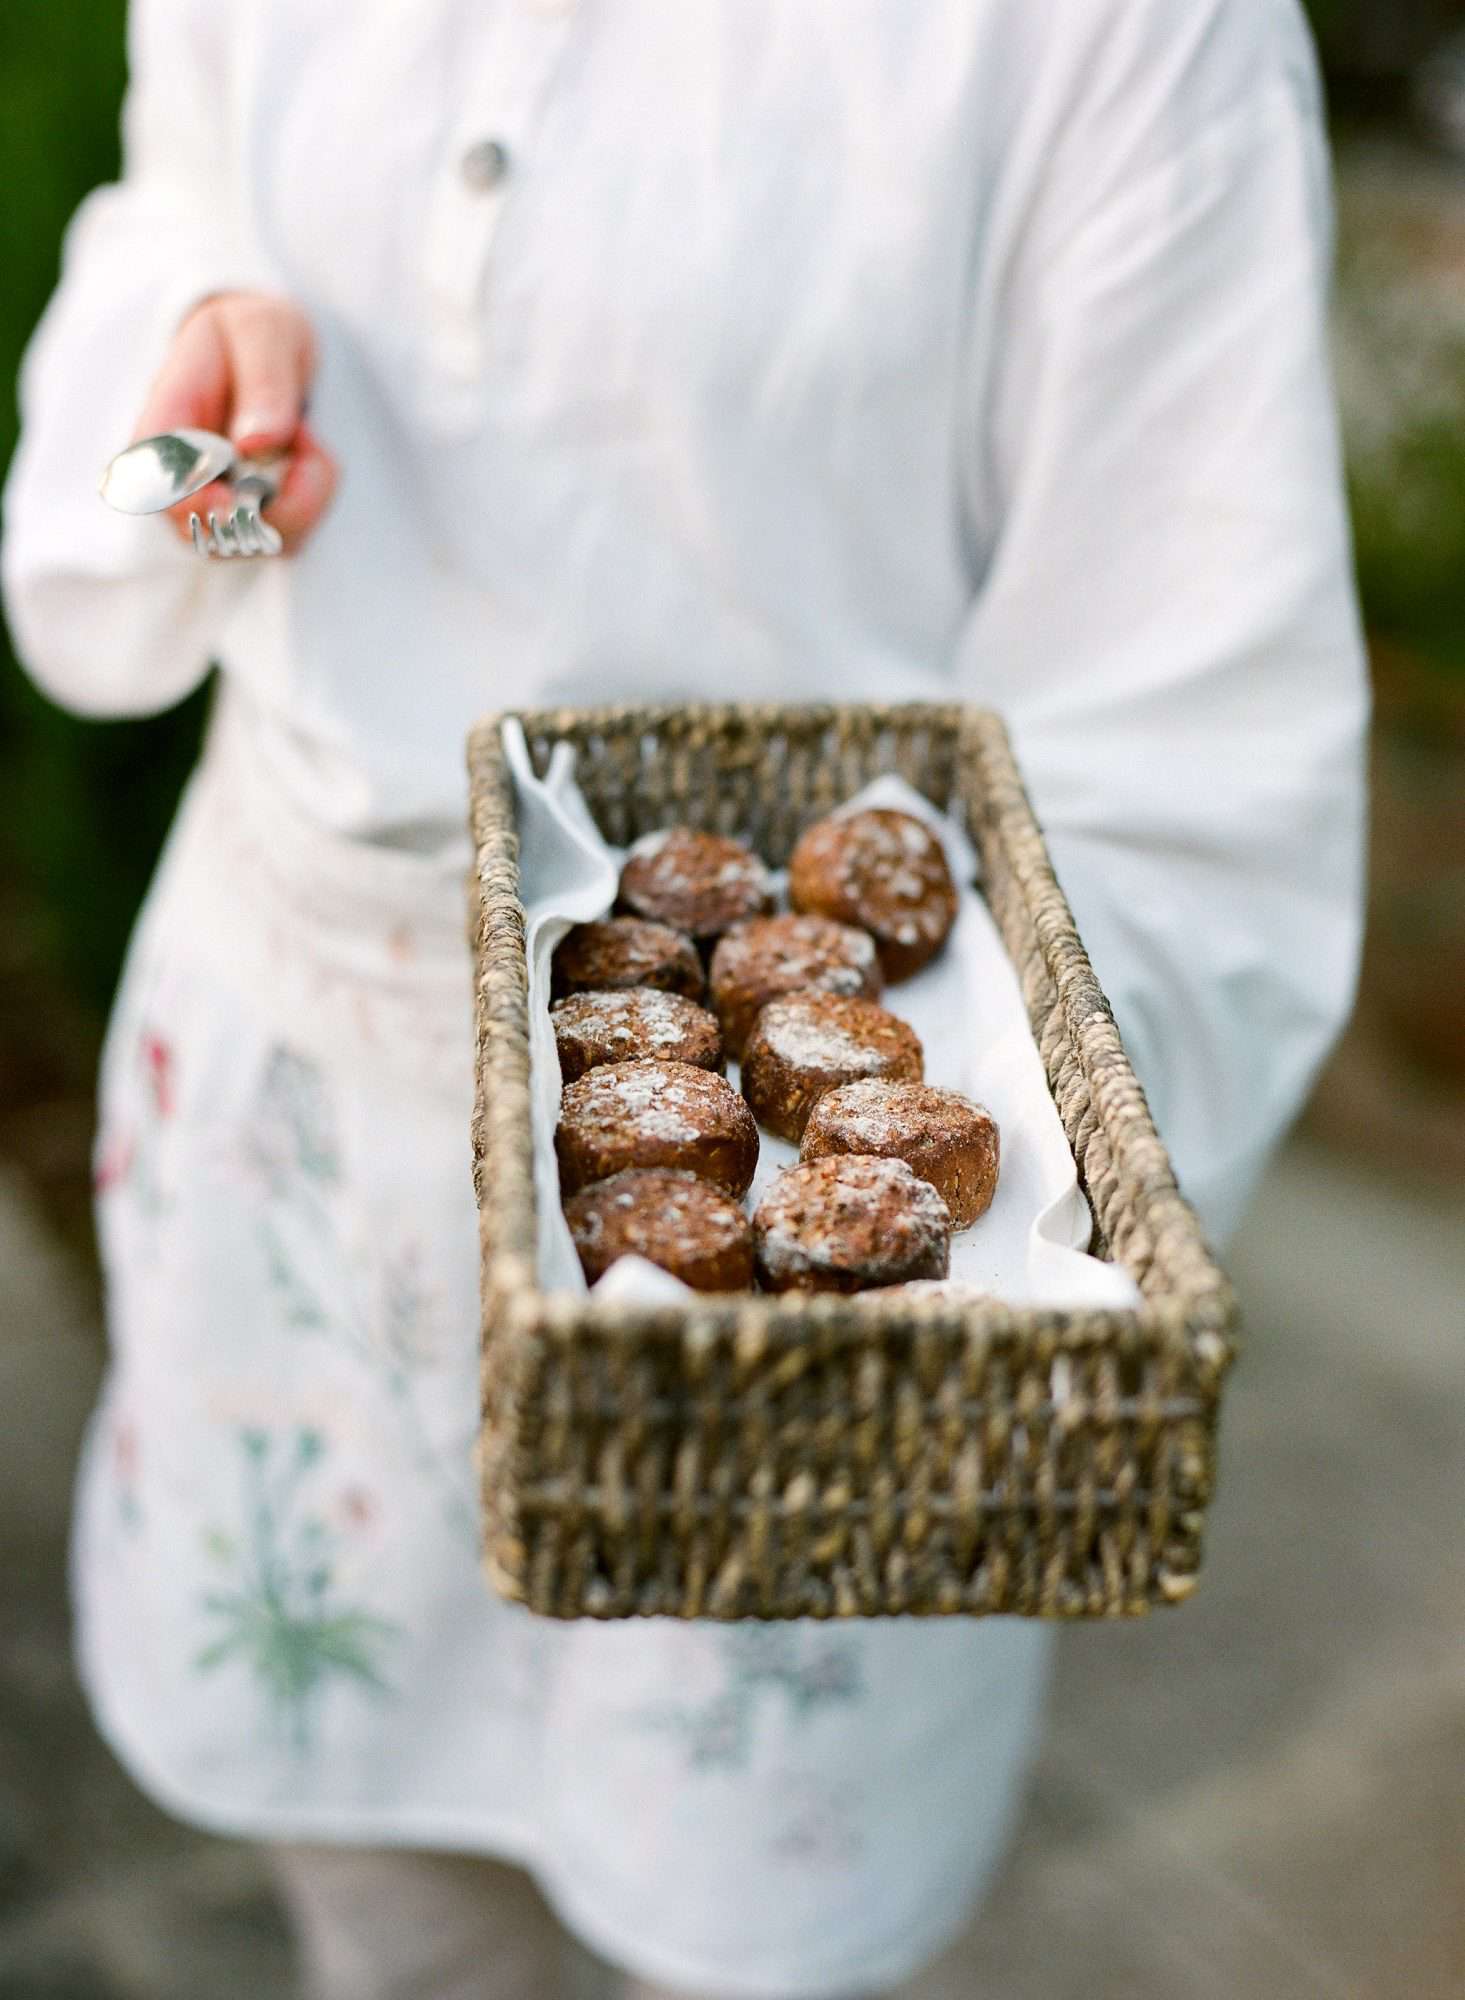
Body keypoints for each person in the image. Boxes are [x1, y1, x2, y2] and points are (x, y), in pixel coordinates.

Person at [2, 2, 1367, 1996]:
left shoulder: (1128, 35)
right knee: (384, 1914)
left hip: (784, 1292)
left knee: (746, 1925)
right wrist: (201, 428)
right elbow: (178, 225)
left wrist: (933, 1243)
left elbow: (1194, 746)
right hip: (305, 1185)